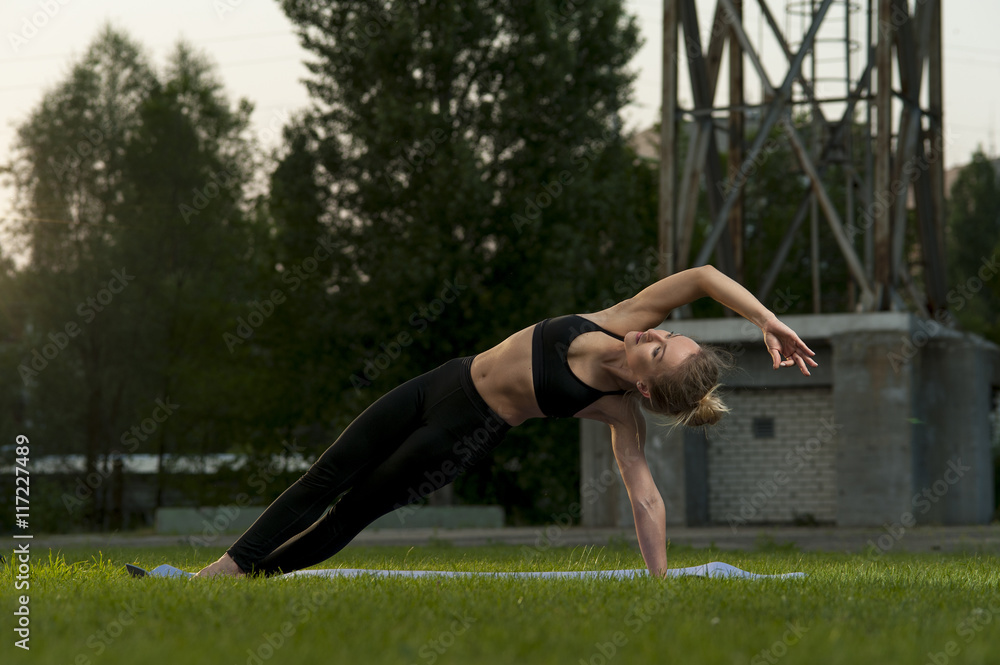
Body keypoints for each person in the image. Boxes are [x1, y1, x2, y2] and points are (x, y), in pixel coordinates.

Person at [195, 265, 816, 579]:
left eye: (657, 348)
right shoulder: (621, 318)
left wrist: (658, 580)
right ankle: (225, 570)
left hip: (459, 436)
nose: (654, 332)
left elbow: (645, 497)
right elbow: (704, 278)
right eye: (668, 334)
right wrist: (766, 319)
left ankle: (249, 577)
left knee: (352, 511)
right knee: (326, 474)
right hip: (440, 382)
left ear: (645, 382)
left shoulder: (617, 410)